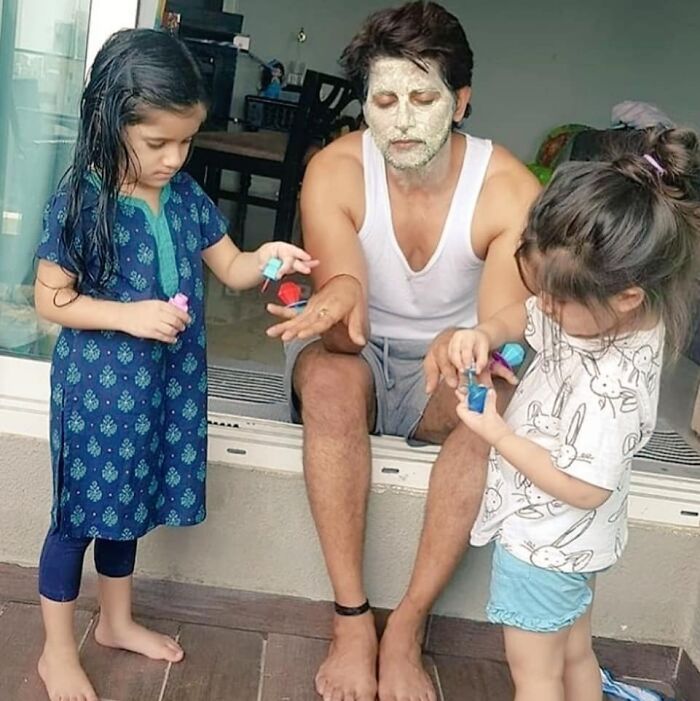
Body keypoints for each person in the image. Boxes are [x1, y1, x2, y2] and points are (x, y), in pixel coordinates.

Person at [266, 2, 540, 699]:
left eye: (423, 99)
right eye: (384, 101)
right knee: (328, 381)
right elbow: (344, 328)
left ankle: (409, 623)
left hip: (450, 365)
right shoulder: (334, 170)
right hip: (356, 357)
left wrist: (477, 339)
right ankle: (352, 618)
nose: (402, 121)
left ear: (461, 102)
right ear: (365, 104)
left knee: (490, 408)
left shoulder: (508, 189)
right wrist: (334, 303)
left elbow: (507, 320)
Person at [33, 28, 315, 701]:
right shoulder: (82, 203)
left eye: (185, 141)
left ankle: (116, 621)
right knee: (79, 516)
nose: (174, 157)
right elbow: (51, 300)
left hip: (165, 385)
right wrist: (128, 315)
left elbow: (234, 266)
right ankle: (53, 650)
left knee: (129, 504)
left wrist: (270, 256)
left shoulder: (185, 195)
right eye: (157, 142)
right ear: (110, 121)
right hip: (99, 390)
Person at [450, 127, 700, 700]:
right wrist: (486, 332)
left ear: (627, 295)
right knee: (572, 654)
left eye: (559, 300)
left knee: (535, 678)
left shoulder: (611, 386)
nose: (545, 307)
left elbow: (585, 487)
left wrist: (495, 433)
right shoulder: (615, 315)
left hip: (547, 546)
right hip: (576, 545)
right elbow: (527, 313)